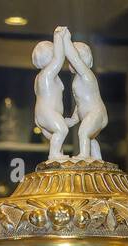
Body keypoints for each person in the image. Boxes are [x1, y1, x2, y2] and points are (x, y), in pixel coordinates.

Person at [60, 27, 108, 161]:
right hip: (90, 114)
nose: (71, 63)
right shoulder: (78, 79)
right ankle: (98, 159)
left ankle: (84, 157)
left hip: (96, 113)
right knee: (90, 138)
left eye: (71, 60)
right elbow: (80, 102)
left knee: (84, 132)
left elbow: (75, 59)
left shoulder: (86, 75)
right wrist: (74, 119)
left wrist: (65, 40)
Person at [32, 27, 76, 161]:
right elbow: (59, 58)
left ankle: (57, 157)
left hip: (45, 114)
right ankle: (54, 155)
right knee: (62, 131)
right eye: (53, 53)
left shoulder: (42, 77)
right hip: (46, 113)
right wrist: (58, 37)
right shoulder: (46, 74)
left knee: (57, 138)